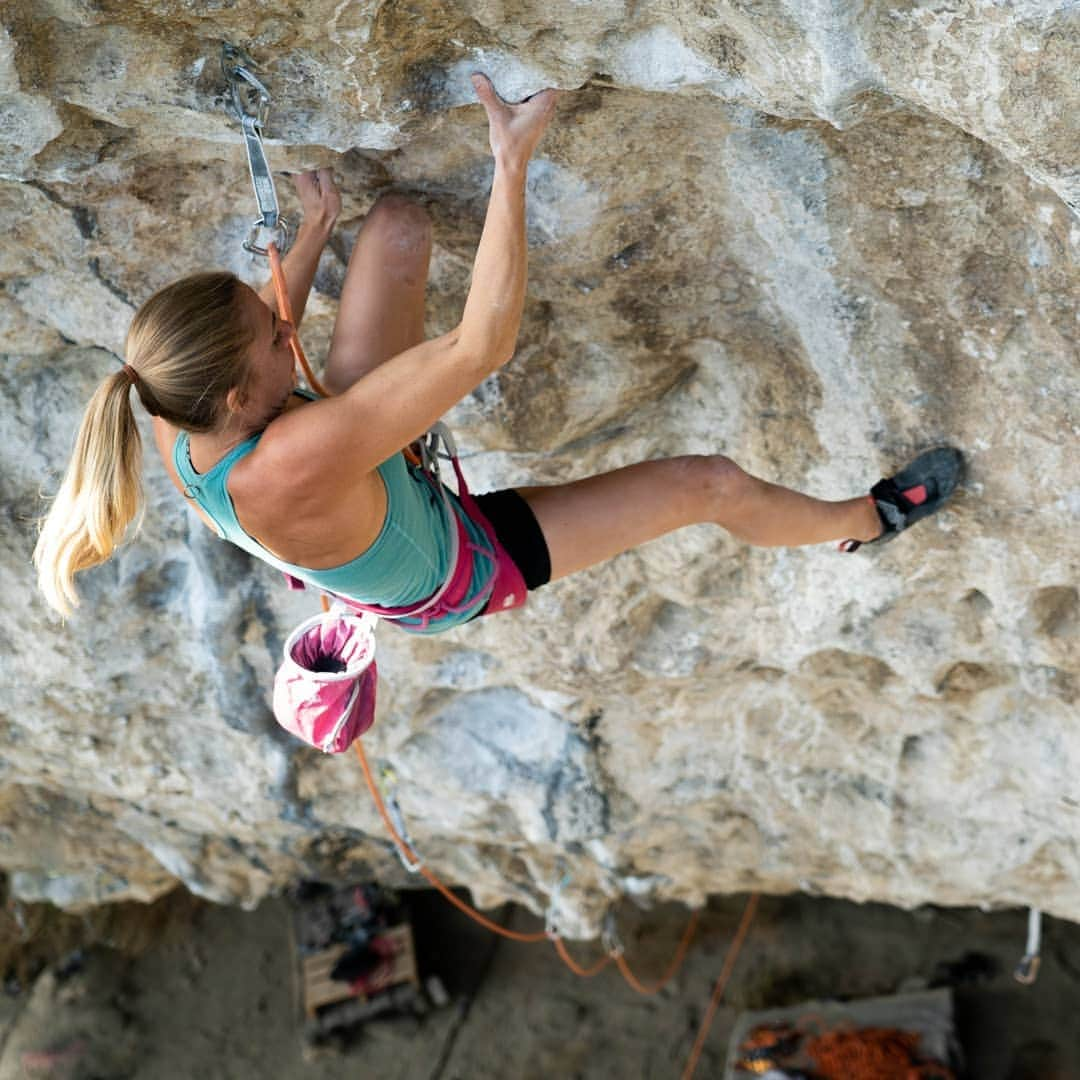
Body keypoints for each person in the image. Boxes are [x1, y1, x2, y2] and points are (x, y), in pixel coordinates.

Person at [34, 74, 962, 629]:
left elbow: (259, 333)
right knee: (705, 484)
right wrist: (508, 168)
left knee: (393, 229)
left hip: (349, 482)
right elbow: (484, 345)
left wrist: (317, 229)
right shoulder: (285, 460)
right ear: (238, 400)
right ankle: (867, 520)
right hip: (457, 564)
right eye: (280, 336)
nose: (292, 318)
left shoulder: (160, 394)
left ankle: (361, 428)